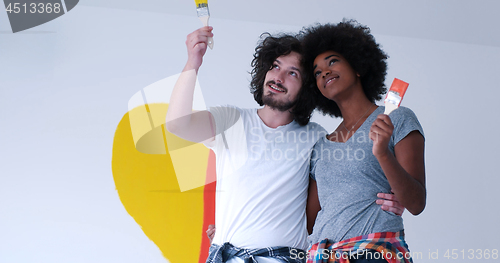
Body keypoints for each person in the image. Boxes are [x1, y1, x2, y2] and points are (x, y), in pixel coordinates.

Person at [167, 26, 404, 263]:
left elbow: (348, 181)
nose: (278, 77)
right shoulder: (231, 121)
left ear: (307, 89)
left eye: (293, 73)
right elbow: (177, 124)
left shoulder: (316, 139)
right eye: (275, 66)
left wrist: (388, 201)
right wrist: (193, 62)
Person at [301, 20, 426, 263]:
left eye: (333, 61)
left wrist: (382, 153)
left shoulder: (398, 118)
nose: (324, 71)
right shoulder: (319, 146)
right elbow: (307, 221)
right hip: (322, 256)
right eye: (317, 72)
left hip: (375, 253)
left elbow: (416, 202)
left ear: (357, 67)